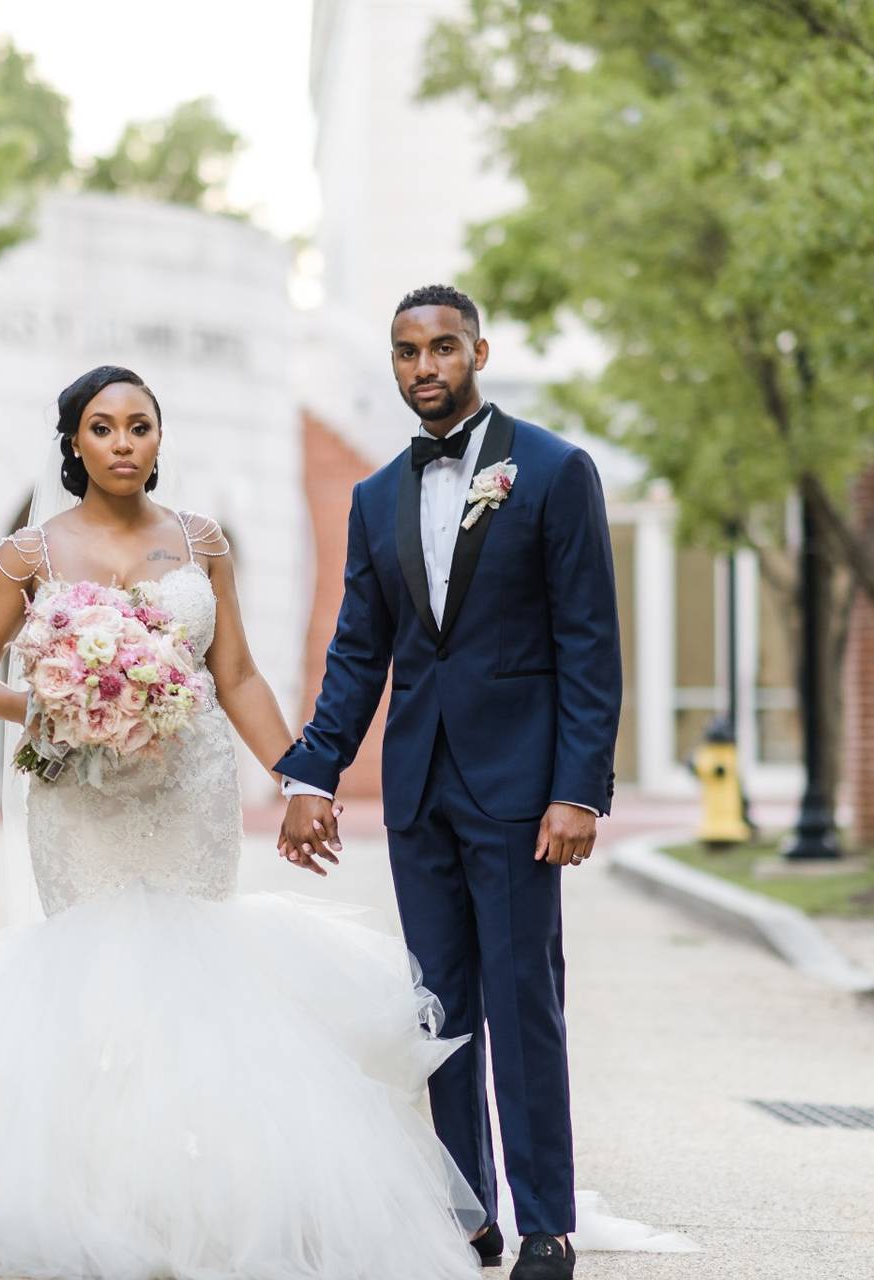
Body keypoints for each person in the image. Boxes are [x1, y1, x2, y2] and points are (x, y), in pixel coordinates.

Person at [0, 364, 486, 1278]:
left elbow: (234, 674)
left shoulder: (201, 543)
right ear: (73, 444)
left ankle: (194, 1207)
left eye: (141, 427)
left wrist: (297, 778)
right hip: (77, 795)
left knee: (192, 979)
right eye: (104, 428)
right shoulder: (27, 554)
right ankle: (90, 1206)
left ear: (161, 440)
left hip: (187, 788)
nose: (124, 444)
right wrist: (38, 709)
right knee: (93, 982)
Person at [274, 284, 624, 1280]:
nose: (422, 367)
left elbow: (588, 644)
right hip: (419, 787)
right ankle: (465, 1212)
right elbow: (358, 653)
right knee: (440, 1010)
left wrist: (579, 787)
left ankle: (546, 1221)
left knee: (523, 1002)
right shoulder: (375, 494)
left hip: (522, 790)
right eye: (405, 351)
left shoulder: (555, 472)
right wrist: (314, 772)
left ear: (478, 349)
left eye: (440, 347)